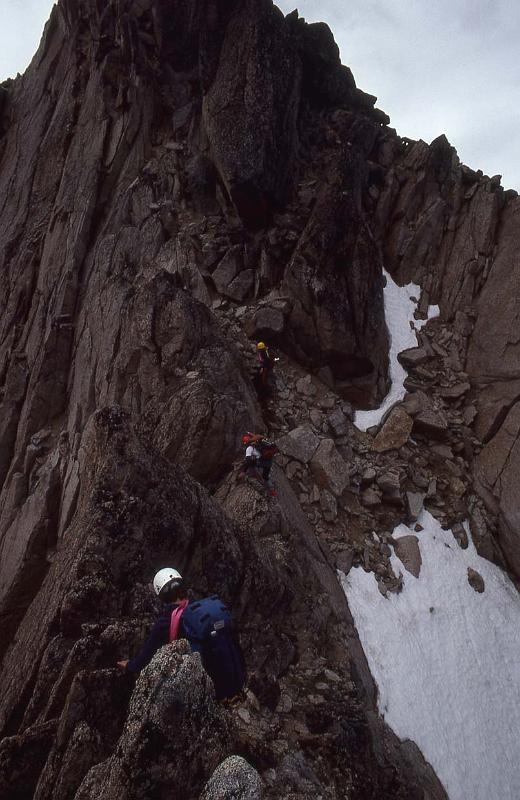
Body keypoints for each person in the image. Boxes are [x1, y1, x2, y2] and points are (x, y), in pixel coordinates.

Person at [117, 568, 246, 701]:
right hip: (234, 678)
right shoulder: (199, 610)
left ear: (162, 596)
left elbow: (146, 657)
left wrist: (129, 665)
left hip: (207, 688)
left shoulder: (165, 622)